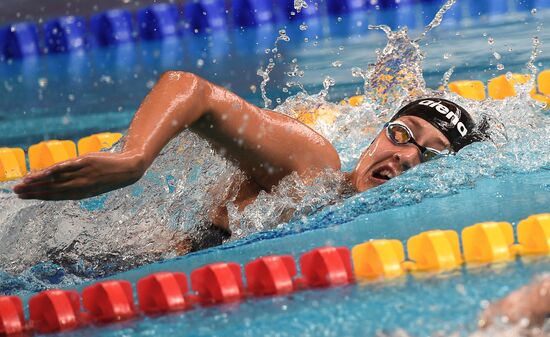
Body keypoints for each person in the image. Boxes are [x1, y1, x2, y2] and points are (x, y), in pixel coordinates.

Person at [12, 71, 486, 240]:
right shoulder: (310, 166)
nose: (405, 156)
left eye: (433, 156)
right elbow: (191, 89)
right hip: (88, 259)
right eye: (402, 134)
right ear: (375, 138)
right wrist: (133, 159)